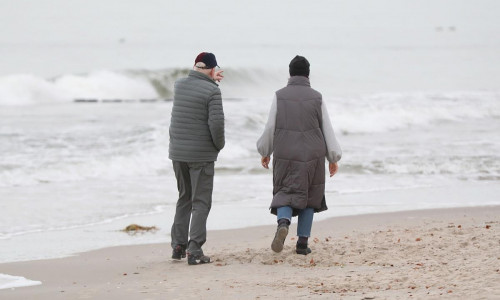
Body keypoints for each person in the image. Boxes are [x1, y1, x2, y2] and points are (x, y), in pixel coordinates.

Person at [257, 55, 342, 255]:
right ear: (308, 74)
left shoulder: (279, 95)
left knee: (285, 192)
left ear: (290, 73)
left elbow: (271, 126)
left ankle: (283, 222)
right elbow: (326, 128)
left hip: (285, 150)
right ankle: (302, 243)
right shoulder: (317, 97)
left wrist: (265, 151)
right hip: (313, 153)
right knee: (310, 195)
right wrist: (333, 157)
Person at [168, 52, 225, 265]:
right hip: (200, 155)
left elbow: (194, 88)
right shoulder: (212, 91)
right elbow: (217, 125)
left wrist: (209, 80)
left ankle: (178, 246)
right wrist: (218, 146)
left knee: (184, 198)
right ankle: (195, 250)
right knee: (200, 202)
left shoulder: (179, 85)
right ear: (212, 69)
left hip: (178, 153)